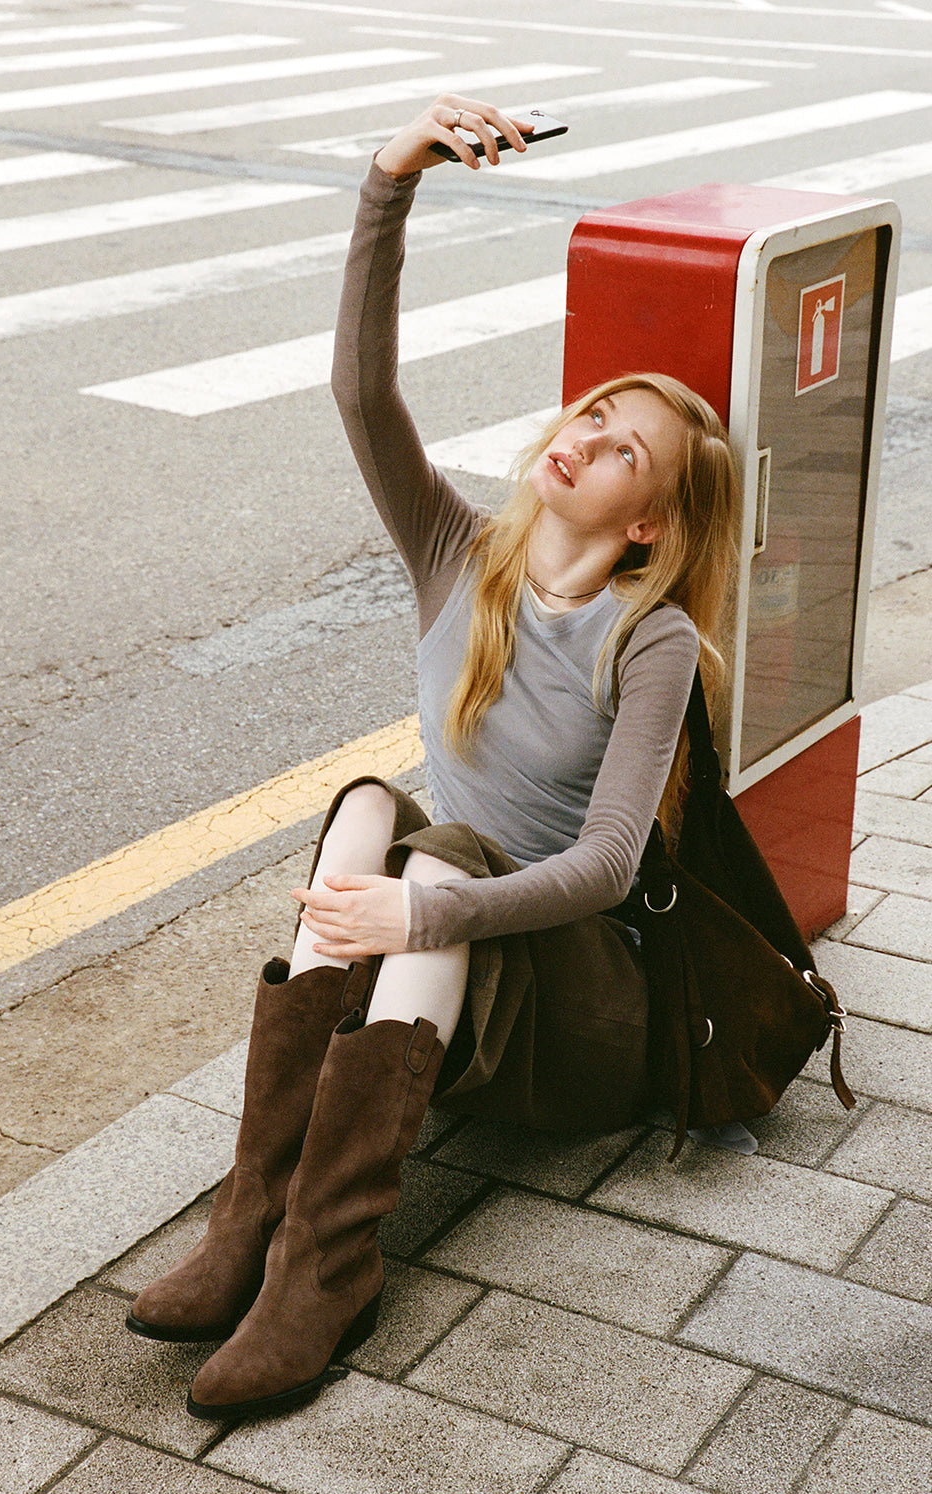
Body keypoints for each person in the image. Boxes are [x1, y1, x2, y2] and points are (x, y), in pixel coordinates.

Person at [126, 95, 739, 1422]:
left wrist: (430, 902)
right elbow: (362, 388)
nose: (578, 436)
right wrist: (387, 178)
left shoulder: (656, 638)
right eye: (590, 413)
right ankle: (256, 1223)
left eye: (620, 447)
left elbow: (608, 865)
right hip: (448, 987)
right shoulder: (459, 557)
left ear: (647, 522)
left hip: (580, 1031)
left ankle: (328, 1273)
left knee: (438, 845)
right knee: (364, 802)